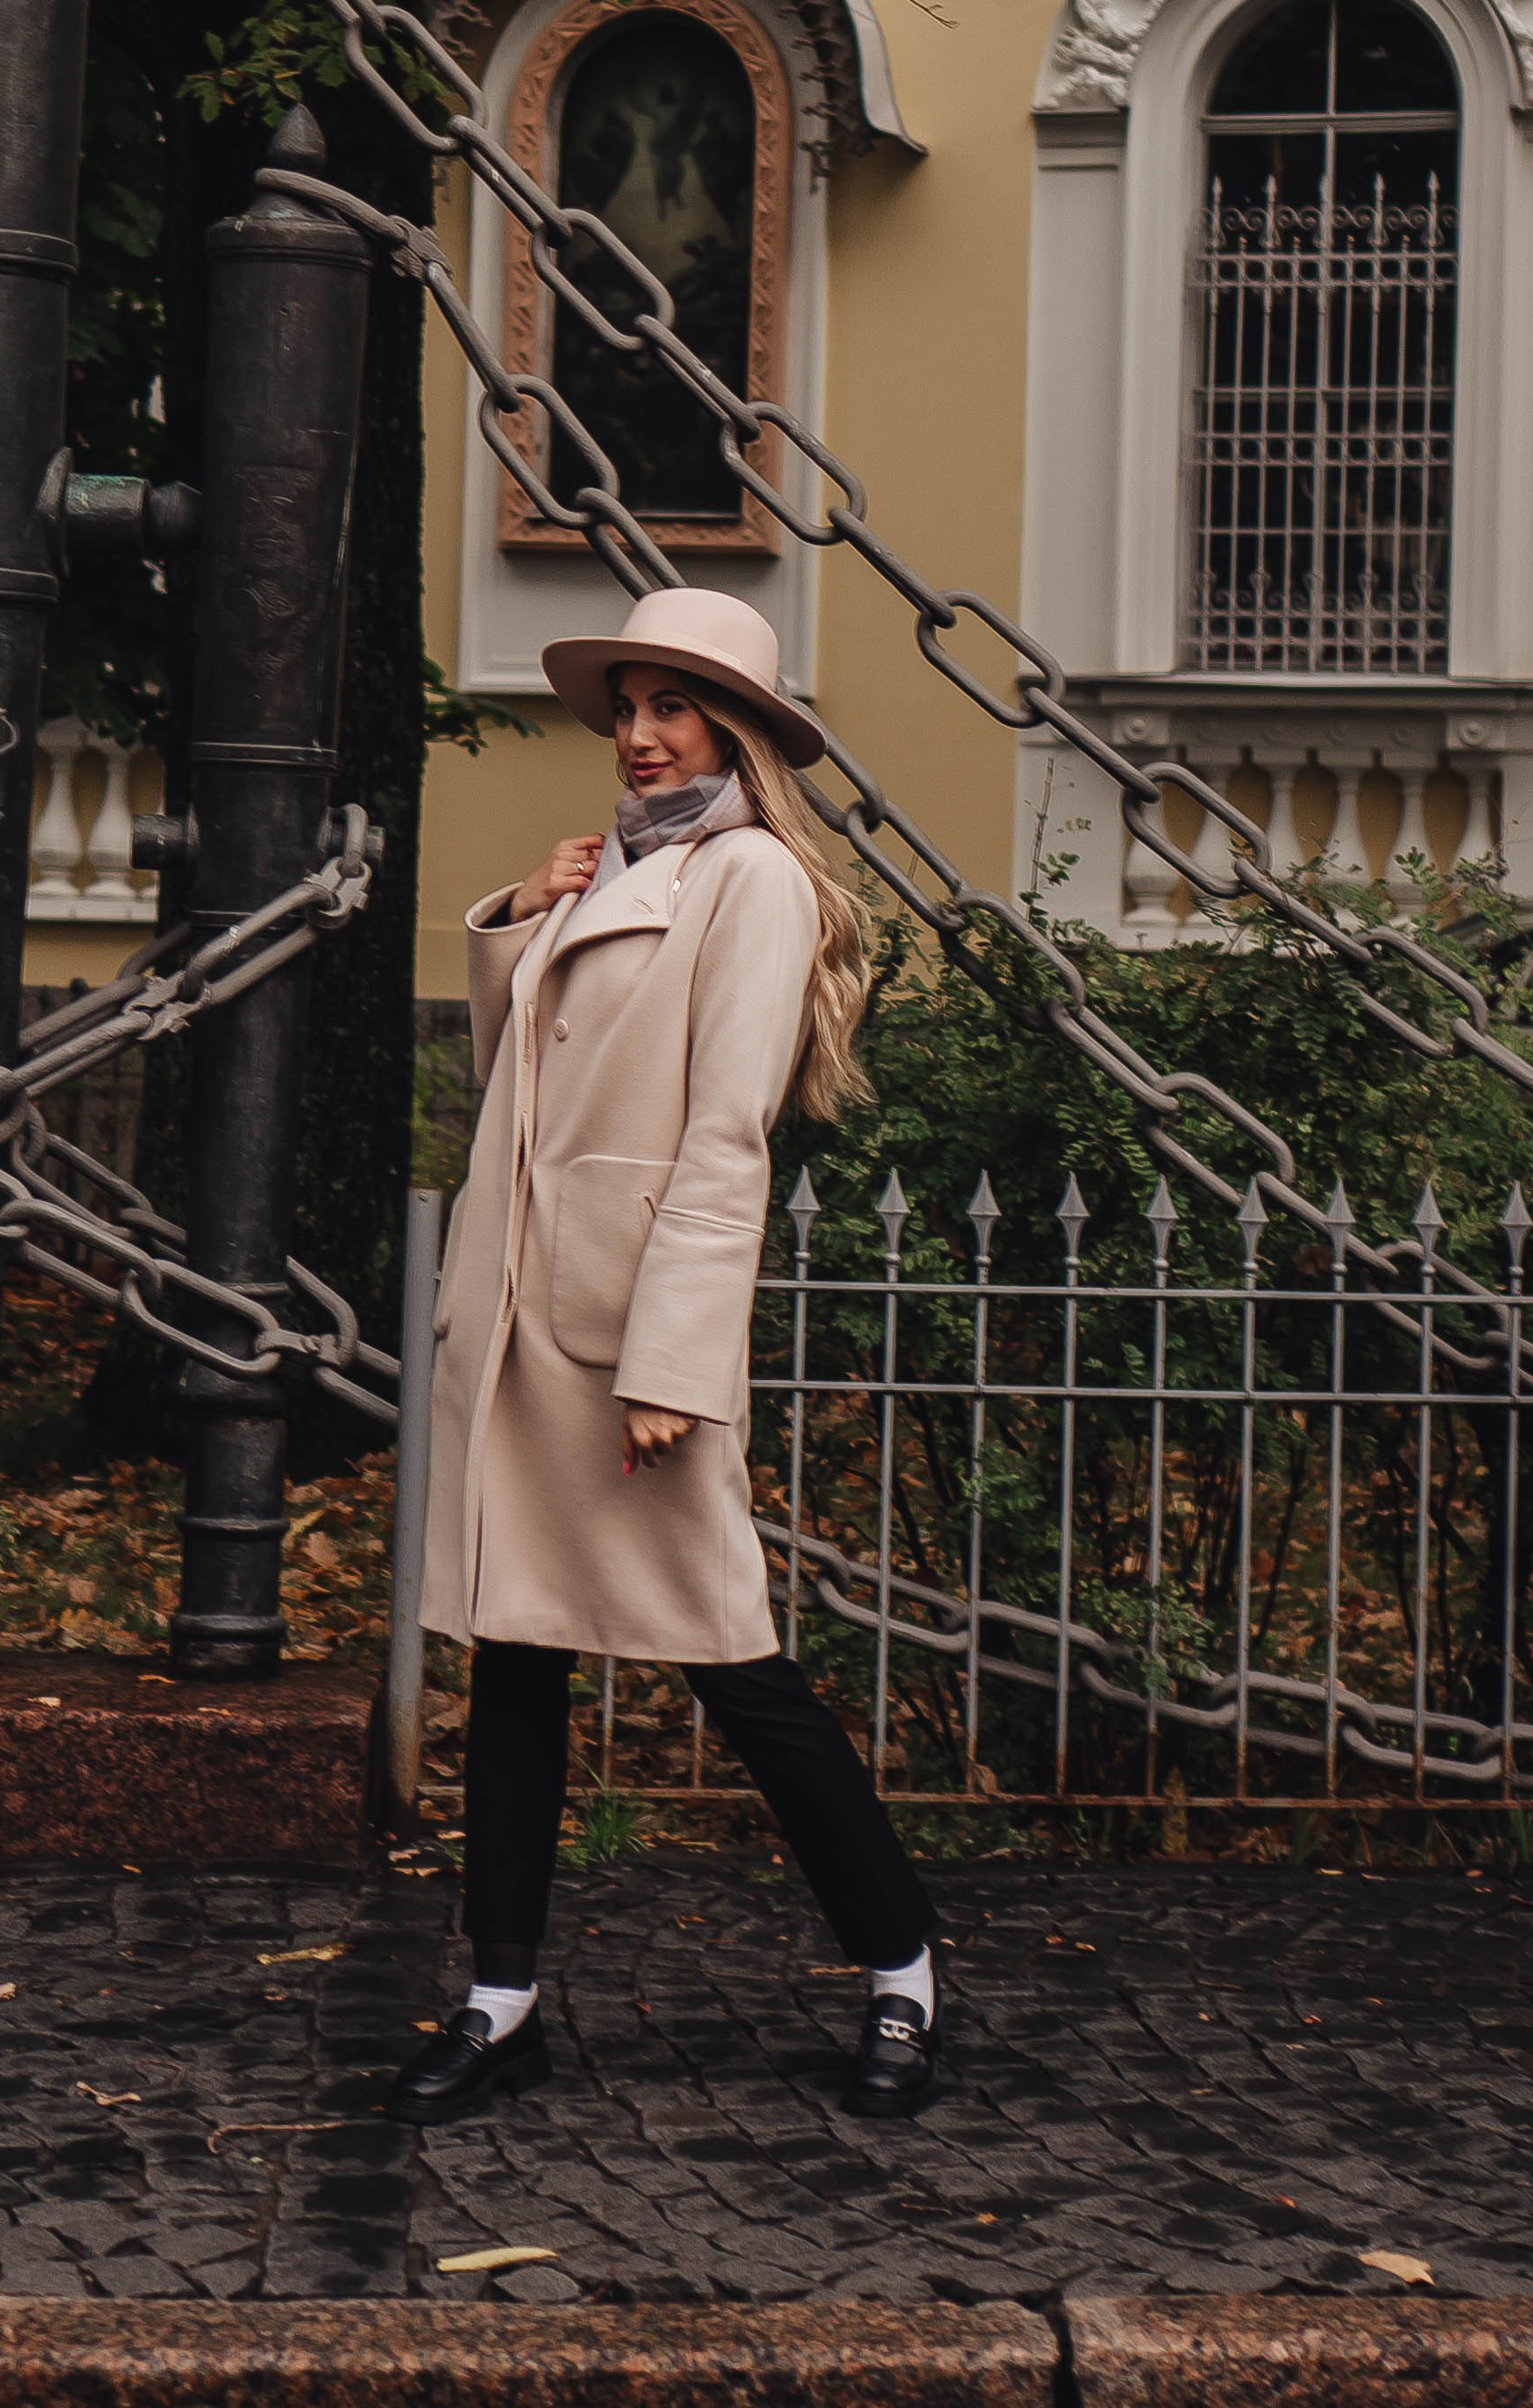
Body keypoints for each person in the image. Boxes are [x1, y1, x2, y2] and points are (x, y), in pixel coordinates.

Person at [387, 587, 940, 2130]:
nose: (638, 735)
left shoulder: (750, 879)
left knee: (737, 1670)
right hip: (516, 1321)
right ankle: (500, 2005)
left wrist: (674, 1363)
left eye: (673, 707)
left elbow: (724, 1135)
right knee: (514, 1663)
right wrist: (522, 915)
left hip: (626, 1342)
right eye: (626, 705)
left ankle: (901, 1969)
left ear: (737, 731)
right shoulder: (616, 869)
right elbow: (519, 1078)